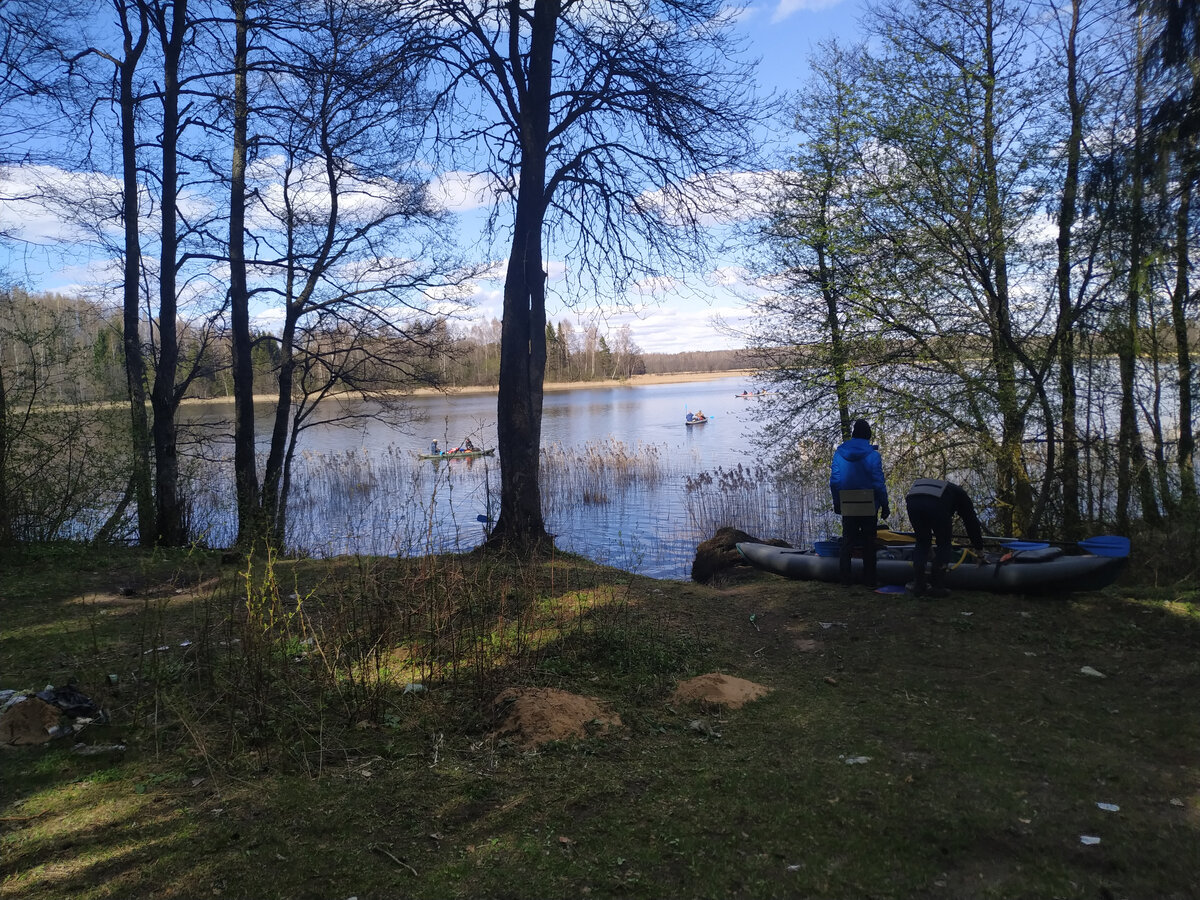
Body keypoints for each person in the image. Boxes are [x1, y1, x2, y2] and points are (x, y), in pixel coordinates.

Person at [829, 419, 889, 588]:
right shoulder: (873, 455)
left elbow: (835, 482)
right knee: (869, 542)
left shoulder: (839, 453)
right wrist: (885, 505)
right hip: (869, 502)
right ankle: (869, 580)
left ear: (854, 434)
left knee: (847, 541)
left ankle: (845, 580)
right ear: (868, 436)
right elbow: (878, 483)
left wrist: (837, 502)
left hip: (848, 502)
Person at [904, 478, 986, 598]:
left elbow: (924, 536)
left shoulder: (950, 491)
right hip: (935, 503)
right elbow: (971, 523)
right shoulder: (962, 496)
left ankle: (919, 586)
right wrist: (980, 551)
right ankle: (937, 587)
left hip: (913, 500)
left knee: (922, 542)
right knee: (944, 543)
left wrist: (929, 548)